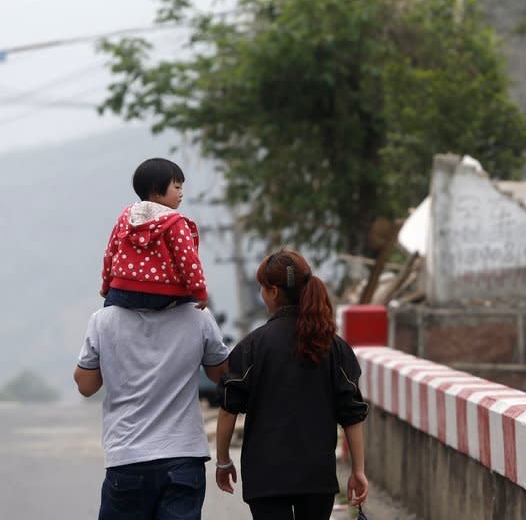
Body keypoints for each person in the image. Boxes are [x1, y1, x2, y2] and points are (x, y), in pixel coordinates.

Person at [215, 249, 369, 520]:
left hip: (266, 477)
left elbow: (229, 408)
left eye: (262, 288)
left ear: (273, 292)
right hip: (316, 476)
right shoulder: (332, 346)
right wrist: (358, 471)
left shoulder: (253, 346)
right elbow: (352, 414)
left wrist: (223, 460)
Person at [74, 303, 229, 520]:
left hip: (128, 456)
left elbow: (86, 386)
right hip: (183, 456)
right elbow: (221, 374)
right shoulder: (199, 315)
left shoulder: (103, 320)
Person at [100, 157, 209, 311]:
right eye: (177, 187)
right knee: (195, 311)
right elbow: (188, 260)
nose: (181, 193)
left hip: (122, 292)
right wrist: (200, 292)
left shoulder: (125, 218)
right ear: (156, 191)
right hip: (166, 293)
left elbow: (110, 254)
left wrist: (106, 286)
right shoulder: (175, 222)